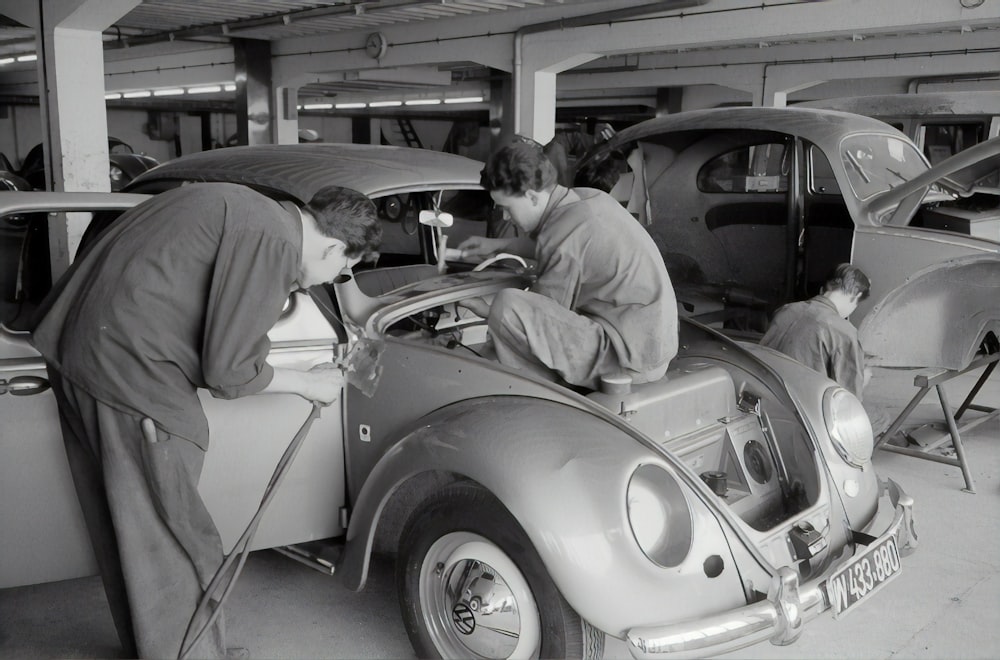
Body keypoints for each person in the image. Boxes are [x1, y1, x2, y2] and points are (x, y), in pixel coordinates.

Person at [30, 182, 381, 659]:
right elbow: (228, 372)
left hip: (80, 353)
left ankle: (157, 649)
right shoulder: (275, 240)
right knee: (173, 534)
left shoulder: (244, 206)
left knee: (130, 531)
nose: (328, 279)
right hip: (129, 373)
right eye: (341, 270)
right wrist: (306, 383)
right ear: (334, 245)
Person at [457, 136, 678, 390]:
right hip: (649, 346)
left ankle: (542, 394)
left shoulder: (563, 232)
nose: (506, 216)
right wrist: (496, 245)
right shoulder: (585, 199)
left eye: (506, 207)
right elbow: (559, 245)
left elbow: (543, 316)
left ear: (531, 196)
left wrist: (488, 310)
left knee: (508, 305)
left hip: (624, 360)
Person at [760, 263, 871, 400]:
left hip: (764, 396)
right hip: (802, 410)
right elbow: (848, 397)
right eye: (856, 304)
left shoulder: (786, 310)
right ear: (856, 295)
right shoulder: (844, 331)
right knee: (880, 417)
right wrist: (863, 379)